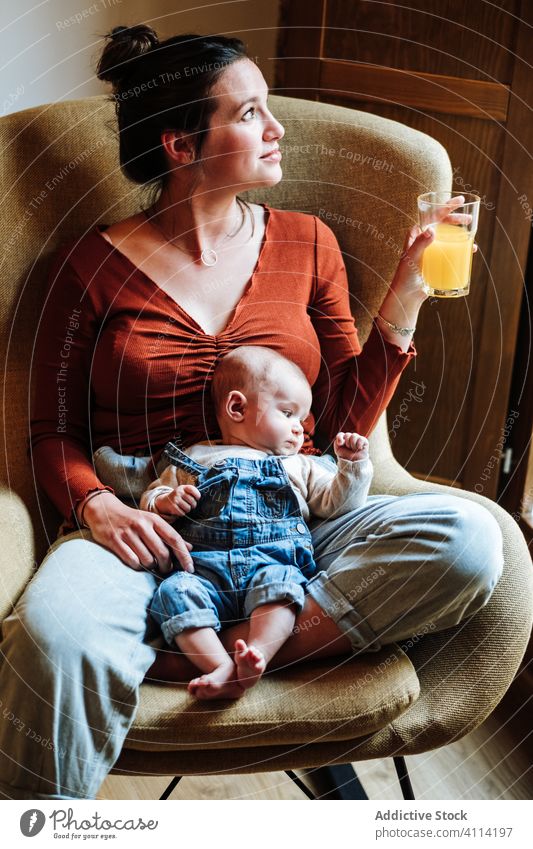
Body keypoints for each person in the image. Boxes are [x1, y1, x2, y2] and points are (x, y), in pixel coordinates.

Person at [0, 25, 503, 800]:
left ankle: (213, 649)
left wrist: (404, 295)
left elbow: (338, 420)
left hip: (291, 520)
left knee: (471, 539)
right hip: (149, 534)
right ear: (179, 145)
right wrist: (99, 505)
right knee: (50, 634)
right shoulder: (88, 267)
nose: (276, 129)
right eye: (249, 113)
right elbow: (49, 432)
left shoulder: (309, 244)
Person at [94, 345, 373, 699]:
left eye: (302, 420)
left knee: (284, 589)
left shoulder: (300, 465)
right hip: (202, 571)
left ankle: (259, 653)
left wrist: (352, 466)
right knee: (174, 593)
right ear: (237, 407)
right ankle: (217, 664)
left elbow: (339, 504)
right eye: (288, 414)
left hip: (271, 563)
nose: (300, 430)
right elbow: (150, 498)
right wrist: (166, 502)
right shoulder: (194, 458)